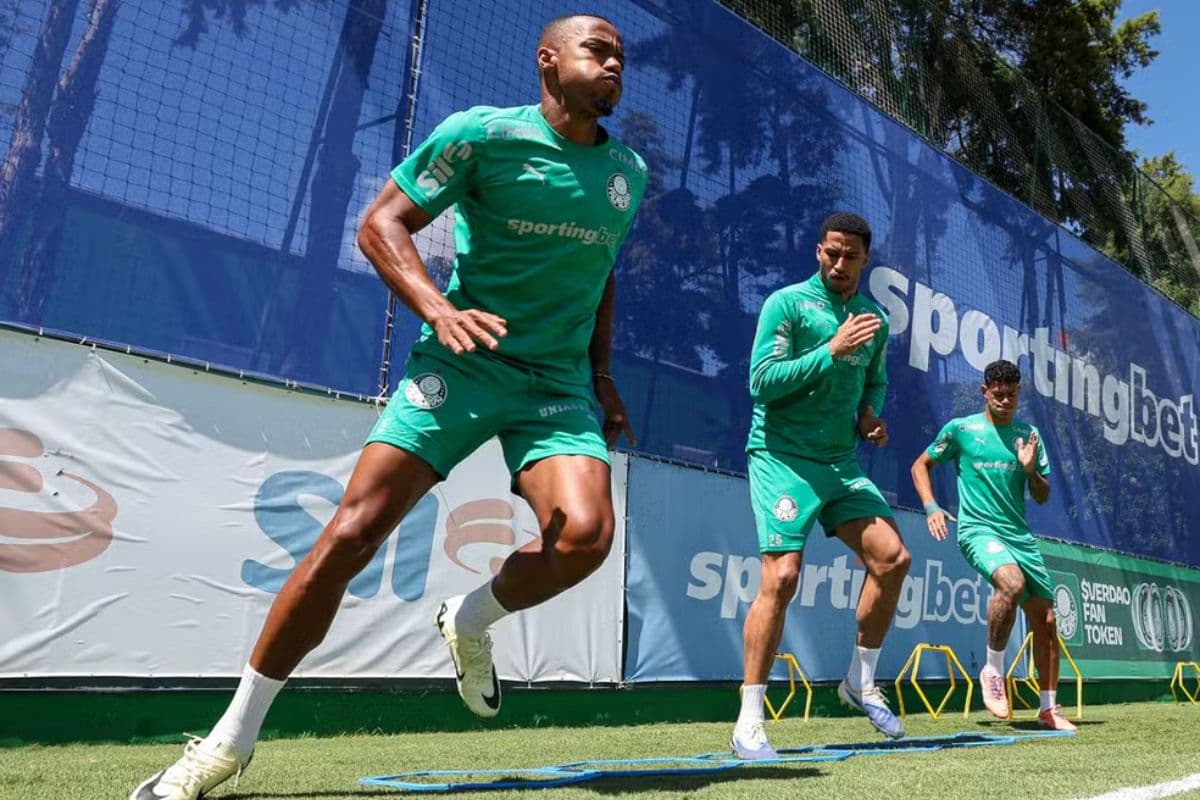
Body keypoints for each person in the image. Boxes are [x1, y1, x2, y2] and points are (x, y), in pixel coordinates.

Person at [130, 14, 646, 800]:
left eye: (621, 57)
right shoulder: (480, 134)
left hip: (557, 384)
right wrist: (439, 309)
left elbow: (601, 269)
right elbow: (380, 225)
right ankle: (229, 742)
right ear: (547, 60)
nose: (614, 66)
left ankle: (469, 620)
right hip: (464, 360)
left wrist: (601, 373)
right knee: (353, 530)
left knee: (586, 538)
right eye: (597, 51)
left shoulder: (627, 173)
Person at [731, 212, 911, 760]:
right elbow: (761, 382)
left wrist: (870, 418)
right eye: (831, 253)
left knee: (893, 558)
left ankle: (860, 681)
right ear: (818, 251)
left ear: (865, 260)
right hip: (782, 457)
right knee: (781, 577)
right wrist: (828, 350)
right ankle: (749, 719)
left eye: (850, 256)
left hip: (840, 462)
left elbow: (873, 382)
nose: (839, 263)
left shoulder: (874, 319)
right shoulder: (786, 304)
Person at [910, 359, 1076, 731]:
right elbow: (920, 465)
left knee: (1046, 620)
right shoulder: (961, 430)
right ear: (984, 391)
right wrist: (932, 506)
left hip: (1019, 535)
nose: (1005, 401)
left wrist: (1031, 469)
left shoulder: (1028, 435)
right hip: (978, 530)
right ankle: (993, 670)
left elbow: (1043, 496)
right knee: (1011, 584)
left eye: (1012, 396)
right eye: (998, 395)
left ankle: (1048, 709)